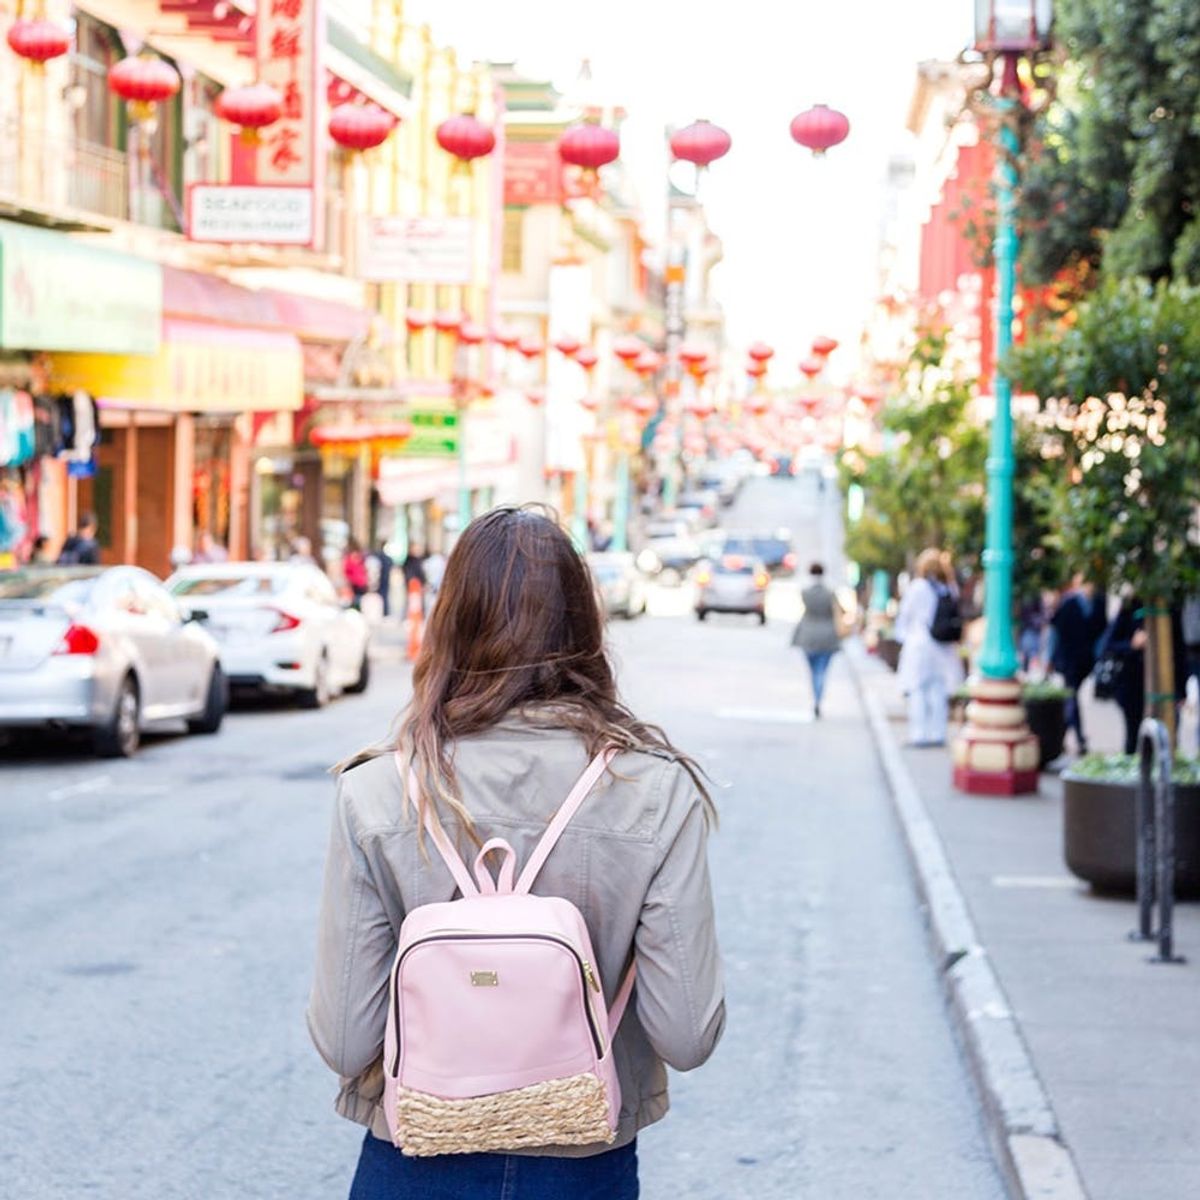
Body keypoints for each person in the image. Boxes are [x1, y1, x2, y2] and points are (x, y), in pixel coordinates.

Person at [308, 507, 724, 1198]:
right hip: (583, 1164)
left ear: (450, 624)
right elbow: (687, 1035)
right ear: (585, 628)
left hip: (414, 1157)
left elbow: (346, 1042)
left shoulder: (378, 790)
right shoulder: (655, 790)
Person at [894, 547, 964, 747]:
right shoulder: (949, 588)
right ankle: (937, 733)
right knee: (938, 690)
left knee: (918, 690)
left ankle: (919, 734)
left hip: (919, 644)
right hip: (943, 647)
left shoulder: (918, 587)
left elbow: (904, 617)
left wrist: (903, 639)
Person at [1050, 574, 1106, 754]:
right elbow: (1055, 632)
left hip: (1085, 661)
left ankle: (1059, 737)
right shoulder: (1069, 603)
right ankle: (1080, 737)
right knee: (1072, 696)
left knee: (1072, 697)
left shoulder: (1098, 603)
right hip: (1068, 659)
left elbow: (1102, 631)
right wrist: (1049, 658)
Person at [790, 561, 846, 718]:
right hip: (828, 636)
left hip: (808, 635)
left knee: (813, 671)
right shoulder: (830, 593)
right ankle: (818, 699)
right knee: (822, 671)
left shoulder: (805, 593)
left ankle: (815, 698)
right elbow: (841, 611)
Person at [367, 540, 394, 617]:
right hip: (383, 579)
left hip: (382, 579)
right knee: (383, 596)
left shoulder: (378, 556)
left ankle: (383, 612)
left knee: (382, 596)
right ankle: (384, 612)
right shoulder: (384, 557)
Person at [342, 538, 369, 609]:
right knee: (360, 601)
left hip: (355, 582)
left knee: (355, 602)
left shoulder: (351, 557)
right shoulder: (360, 556)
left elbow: (347, 569)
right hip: (361, 582)